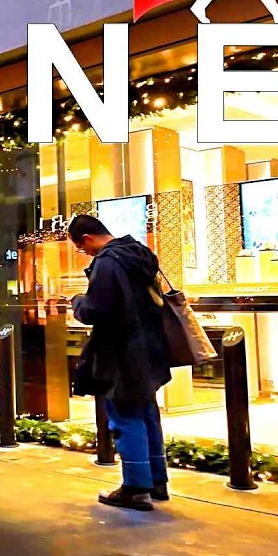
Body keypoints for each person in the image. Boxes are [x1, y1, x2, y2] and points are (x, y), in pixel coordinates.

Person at [68, 214, 172, 511]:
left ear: (87, 238)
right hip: (151, 348)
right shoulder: (139, 253)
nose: (84, 252)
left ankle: (136, 487)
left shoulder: (108, 262)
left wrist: (77, 301)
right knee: (146, 411)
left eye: (80, 247)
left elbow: (98, 309)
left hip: (122, 352)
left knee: (125, 416)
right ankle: (156, 481)